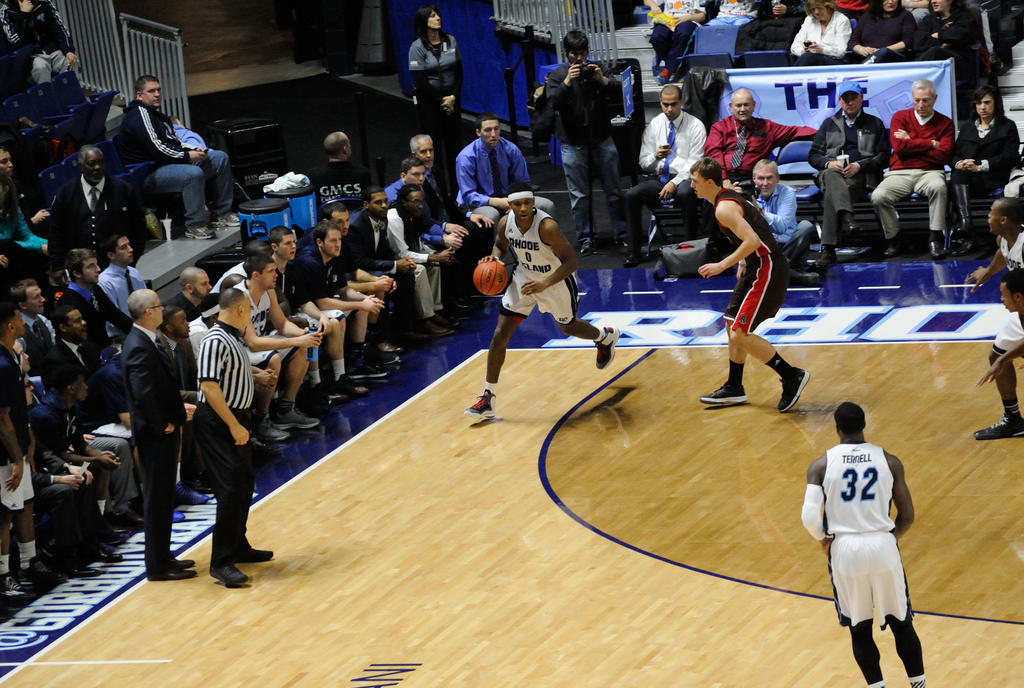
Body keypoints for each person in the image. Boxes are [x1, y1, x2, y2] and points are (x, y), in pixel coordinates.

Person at [465, 182, 619, 419]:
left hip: (555, 281)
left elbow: (572, 262)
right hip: (524, 279)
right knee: (500, 335)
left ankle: (604, 337)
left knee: (567, 327)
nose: (523, 208)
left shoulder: (547, 227)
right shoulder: (506, 223)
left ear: (533, 202)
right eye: (518, 204)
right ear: (510, 205)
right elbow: (499, 245)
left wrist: (545, 284)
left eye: (528, 203)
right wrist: (494, 258)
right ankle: (488, 398)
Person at [801, 402, 926, 688]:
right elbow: (907, 515)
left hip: (845, 550)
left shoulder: (821, 465)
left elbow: (809, 517)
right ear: (864, 425)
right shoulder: (889, 461)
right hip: (883, 545)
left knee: (859, 628)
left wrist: (823, 539)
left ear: (837, 428)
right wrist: (888, 539)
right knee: (901, 623)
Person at [691, 157, 810, 412]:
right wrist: (744, 262)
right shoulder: (725, 196)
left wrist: (722, 265)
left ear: (710, 183)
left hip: (767, 266)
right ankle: (734, 386)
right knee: (730, 323)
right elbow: (752, 226)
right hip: (755, 266)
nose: (692, 186)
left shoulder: (724, 208)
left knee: (739, 332)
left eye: (695, 181)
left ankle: (791, 375)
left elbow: (753, 240)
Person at [195, 288, 272, 587]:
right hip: (219, 422)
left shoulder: (232, 337)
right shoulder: (214, 339)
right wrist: (233, 425)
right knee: (229, 489)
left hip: (235, 419)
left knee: (243, 484)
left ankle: (238, 545)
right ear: (240, 310)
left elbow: (231, 373)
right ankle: (221, 563)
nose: (250, 316)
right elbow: (209, 387)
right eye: (249, 311)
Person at [121, 290, 195, 582]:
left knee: (164, 497)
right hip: (155, 435)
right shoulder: (138, 344)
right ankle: (156, 565)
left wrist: (175, 412)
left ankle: (164, 557)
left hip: (163, 428)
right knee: (157, 499)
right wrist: (161, 422)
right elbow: (143, 392)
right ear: (148, 312)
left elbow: (159, 386)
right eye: (159, 305)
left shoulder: (146, 339)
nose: (163, 308)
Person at [117, 75, 238, 240]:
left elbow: (174, 142)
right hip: (148, 174)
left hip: (166, 165)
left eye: (158, 90)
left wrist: (194, 149)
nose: (157, 94)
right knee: (192, 174)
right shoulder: (139, 114)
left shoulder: (156, 115)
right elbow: (157, 148)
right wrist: (187, 156)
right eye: (151, 91)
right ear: (139, 95)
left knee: (219, 158)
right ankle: (195, 226)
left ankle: (222, 214)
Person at [545, 30, 628, 256]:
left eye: (583, 53)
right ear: (567, 53)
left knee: (614, 190)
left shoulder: (596, 69)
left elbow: (621, 91)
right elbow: (552, 102)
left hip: (601, 138)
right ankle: (586, 238)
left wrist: (602, 79)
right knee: (579, 196)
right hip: (573, 143)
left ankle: (622, 234)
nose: (579, 59)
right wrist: (567, 82)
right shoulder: (557, 75)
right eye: (575, 54)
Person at [808, 80, 890, 266]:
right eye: (846, 99)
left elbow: (885, 157)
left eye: (853, 98)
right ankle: (848, 219)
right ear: (840, 101)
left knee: (831, 194)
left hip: (861, 178)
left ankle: (828, 250)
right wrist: (829, 163)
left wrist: (859, 166)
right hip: (831, 174)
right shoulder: (829, 124)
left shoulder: (874, 123)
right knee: (830, 175)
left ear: (861, 98)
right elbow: (813, 156)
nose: (850, 102)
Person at [870, 79, 953, 259]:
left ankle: (935, 238)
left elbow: (944, 156)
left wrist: (911, 142)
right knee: (878, 196)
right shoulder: (899, 117)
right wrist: (931, 143)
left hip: (931, 172)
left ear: (935, 98)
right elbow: (899, 148)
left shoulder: (945, 123)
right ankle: (894, 238)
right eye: (917, 100)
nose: (921, 105)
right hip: (899, 172)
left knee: (939, 187)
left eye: (926, 100)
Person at [624, 84, 705, 268]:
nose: (669, 109)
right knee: (631, 195)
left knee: (686, 193)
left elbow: (695, 164)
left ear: (681, 102)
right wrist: (655, 156)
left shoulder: (696, 126)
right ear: (660, 103)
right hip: (660, 178)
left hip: (685, 177)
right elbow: (644, 163)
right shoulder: (655, 124)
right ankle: (633, 252)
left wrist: (674, 182)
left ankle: (690, 250)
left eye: (673, 104)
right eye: (665, 104)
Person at [967, 200, 1024, 439]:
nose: (987, 217)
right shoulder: (1003, 238)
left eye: (991, 213)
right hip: (1022, 308)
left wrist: (1007, 358)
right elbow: (1003, 254)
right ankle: (1013, 420)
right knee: (996, 355)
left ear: (1004, 220)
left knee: (1002, 358)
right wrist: (988, 272)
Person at [49, 145, 148, 273]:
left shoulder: (123, 190)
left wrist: (130, 260)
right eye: (92, 164)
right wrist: (57, 265)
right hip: (81, 270)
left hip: (117, 266)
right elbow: (56, 231)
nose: (97, 167)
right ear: (80, 166)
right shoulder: (66, 193)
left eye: (101, 162)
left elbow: (139, 229)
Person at [949, 86, 1019, 256]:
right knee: (956, 176)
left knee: (957, 180)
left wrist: (981, 166)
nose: (982, 107)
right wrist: (960, 164)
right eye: (978, 103)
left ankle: (967, 233)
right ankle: (967, 229)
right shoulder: (967, 127)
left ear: (996, 103)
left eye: (987, 102)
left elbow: (1010, 156)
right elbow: (954, 154)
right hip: (968, 178)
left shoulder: (1007, 126)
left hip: (994, 176)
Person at [454, 112, 555, 224]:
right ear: (478, 132)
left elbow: (522, 183)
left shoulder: (511, 149)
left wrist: (516, 202)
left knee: (547, 206)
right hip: (479, 203)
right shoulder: (466, 157)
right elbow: (468, 195)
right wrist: (496, 202)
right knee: (492, 215)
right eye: (488, 130)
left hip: (509, 199)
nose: (493, 134)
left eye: (496, 129)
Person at [705, 89, 817, 185]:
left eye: (746, 105)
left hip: (755, 180)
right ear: (731, 107)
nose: (742, 109)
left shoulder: (767, 127)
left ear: (753, 106)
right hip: (723, 179)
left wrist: (823, 134)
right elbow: (713, 155)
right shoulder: (719, 128)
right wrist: (724, 180)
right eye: (738, 105)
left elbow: (796, 131)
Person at [408, 4, 462, 190]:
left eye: (438, 15)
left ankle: (457, 192)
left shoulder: (450, 40)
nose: (437, 18)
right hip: (430, 103)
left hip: (452, 101)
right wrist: (442, 101)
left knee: (455, 148)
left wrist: (453, 97)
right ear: (423, 21)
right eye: (432, 16)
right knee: (434, 150)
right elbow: (420, 80)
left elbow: (459, 73)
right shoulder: (417, 47)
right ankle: (439, 192)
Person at [750, 160, 820, 285]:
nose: (765, 183)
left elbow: (781, 227)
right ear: (754, 179)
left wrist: (760, 212)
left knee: (805, 226)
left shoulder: (788, 192)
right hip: (765, 248)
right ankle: (791, 274)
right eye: (760, 178)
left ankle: (773, 272)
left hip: (788, 247)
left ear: (777, 178)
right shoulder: (748, 196)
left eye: (769, 178)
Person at [54, 248, 131, 347]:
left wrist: (142, 332)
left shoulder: (95, 289)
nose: (98, 269)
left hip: (105, 347)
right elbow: (79, 341)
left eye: (96, 264)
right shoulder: (67, 303)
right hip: (89, 353)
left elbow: (116, 316)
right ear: (77, 273)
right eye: (91, 266)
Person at [0, 0, 76, 84]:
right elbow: (14, 41)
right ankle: (47, 92)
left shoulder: (43, 2)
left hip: (52, 50)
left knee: (68, 61)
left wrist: (68, 50)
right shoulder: (6, 12)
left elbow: (59, 28)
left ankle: (72, 91)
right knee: (41, 67)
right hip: (31, 57)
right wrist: (23, 15)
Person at [0, 172, 47, 288]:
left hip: (13, 251)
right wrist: (40, 247)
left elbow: (26, 235)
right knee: (8, 246)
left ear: (5, 189)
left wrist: (49, 245)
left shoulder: (13, 207)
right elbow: (4, 243)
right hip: (6, 252)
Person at [644, 0, 706, 84]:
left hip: (688, 20)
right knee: (656, 38)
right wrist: (653, 6)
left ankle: (668, 71)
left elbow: (702, 16)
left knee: (683, 34)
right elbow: (647, 1)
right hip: (667, 20)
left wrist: (686, 18)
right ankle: (680, 68)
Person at [305, 131, 372, 207]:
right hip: (358, 214)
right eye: (349, 144)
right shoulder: (362, 173)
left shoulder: (313, 175)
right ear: (345, 149)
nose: (350, 146)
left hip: (327, 215)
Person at [96, 233, 145, 338]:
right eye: (123, 247)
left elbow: (147, 301)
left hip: (144, 329)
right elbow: (114, 318)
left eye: (129, 245)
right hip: (122, 336)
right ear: (111, 255)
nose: (130, 250)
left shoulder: (134, 272)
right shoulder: (104, 282)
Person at [912, 0, 979, 76]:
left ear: (950, 1)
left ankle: (913, 75)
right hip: (931, 64)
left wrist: (939, 35)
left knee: (936, 51)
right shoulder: (928, 19)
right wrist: (944, 42)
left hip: (957, 63)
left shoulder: (964, 17)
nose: (933, 1)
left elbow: (960, 36)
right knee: (933, 51)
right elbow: (918, 43)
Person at [849, 0, 916, 63]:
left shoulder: (906, 15)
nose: (890, 2)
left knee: (883, 52)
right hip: (866, 56)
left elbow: (908, 42)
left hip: (893, 58)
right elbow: (853, 41)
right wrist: (861, 49)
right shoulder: (867, 16)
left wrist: (880, 51)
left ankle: (865, 66)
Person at [11, 277, 52, 377]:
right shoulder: (14, 331)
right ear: (22, 305)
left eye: (41, 295)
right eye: (36, 297)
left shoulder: (43, 320)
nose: (43, 299)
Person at [790, 0, 852, 65]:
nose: (816, 12)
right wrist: (803, 51)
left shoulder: (841, 20)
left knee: (808, 57)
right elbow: (795, 46)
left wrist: (822, 50)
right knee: (807, 56)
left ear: (829, 7)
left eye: (819, 8)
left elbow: (841, 51)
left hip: (833, 61)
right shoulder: (809, 19)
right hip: (808, 58)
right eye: (813, 9)